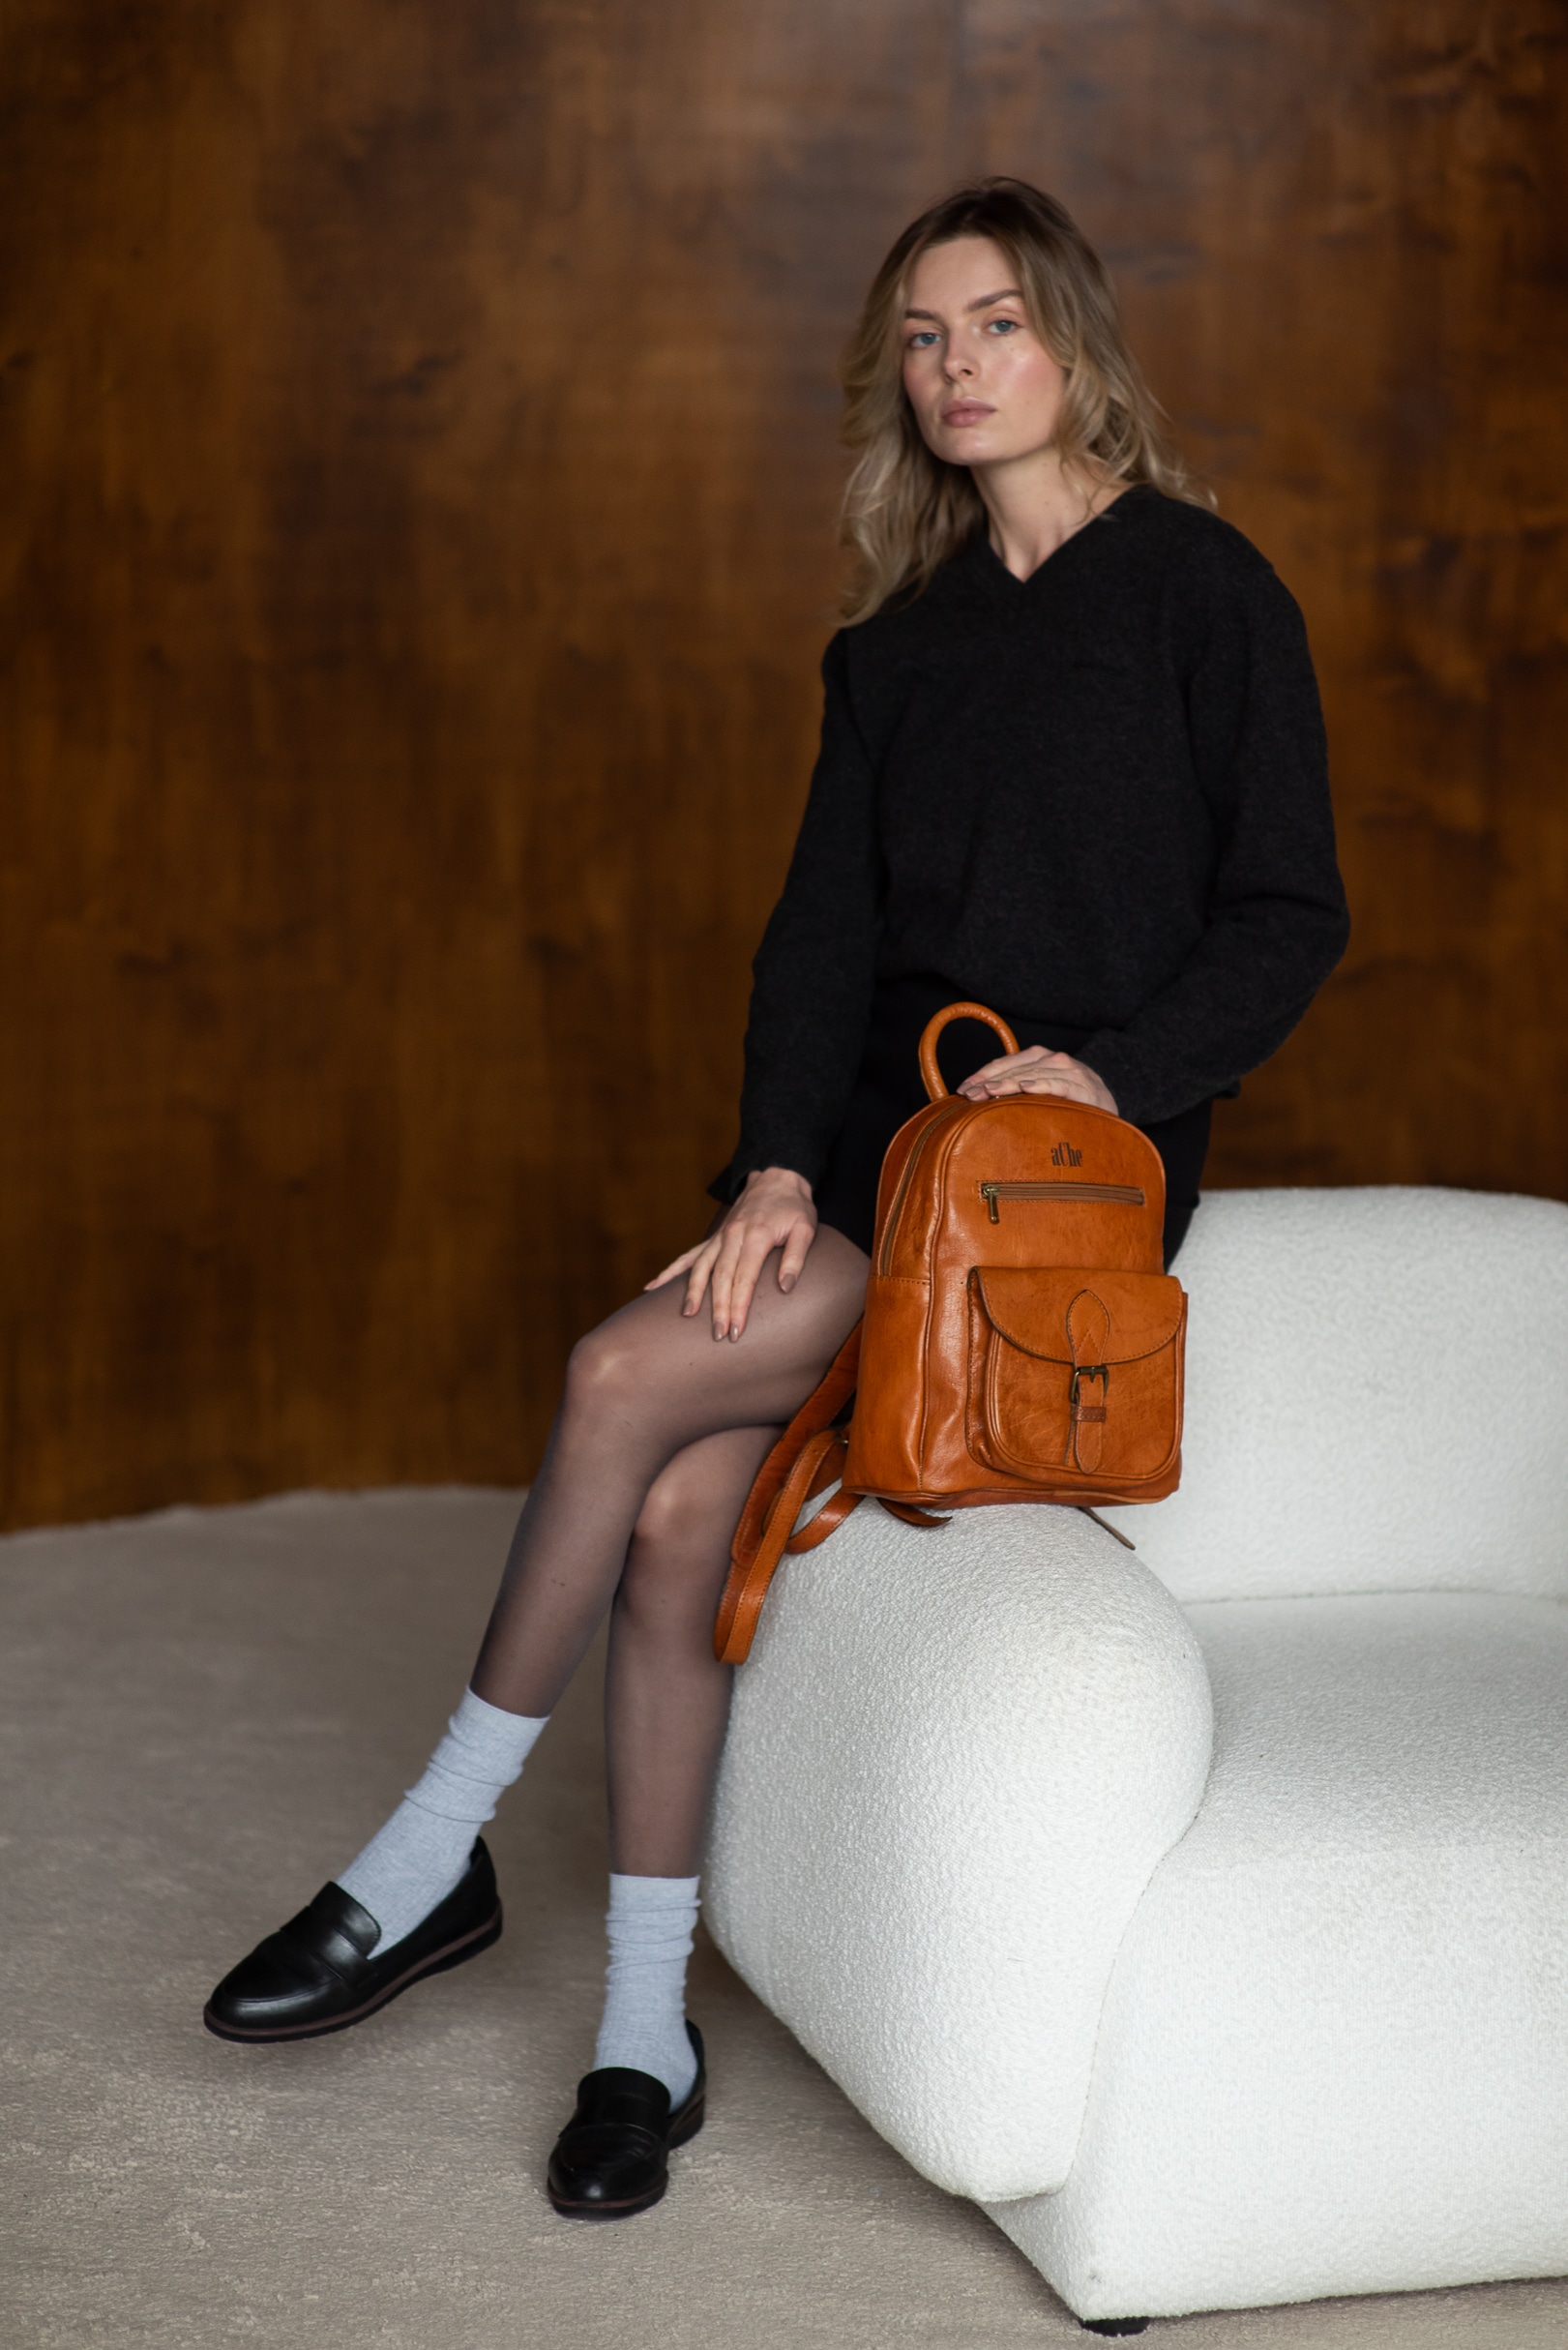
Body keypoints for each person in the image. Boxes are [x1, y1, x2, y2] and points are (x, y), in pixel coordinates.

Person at [203, 178, 1349, 2219]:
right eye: (920, 338)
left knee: (617, 1375)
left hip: (1057, 1191)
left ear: (1072, 343)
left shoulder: (1204, 592)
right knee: (669, 1518)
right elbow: (815, 950)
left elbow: (1287, 911)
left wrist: (1108, 1071)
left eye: (993, 324)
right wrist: (774, 1166)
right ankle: (643, 2036)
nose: (954, 367)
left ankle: (431, 1851)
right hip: (873, 1161)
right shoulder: (892, 653)